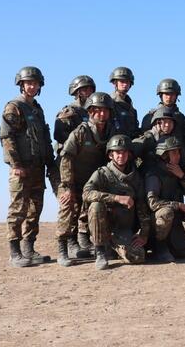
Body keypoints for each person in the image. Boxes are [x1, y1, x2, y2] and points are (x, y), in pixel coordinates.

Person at [0, 66, 59, 267]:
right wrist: (15, 164)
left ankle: (29, 248)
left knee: (35, 209)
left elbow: (44, 138)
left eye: (35, 83)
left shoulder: (37, 109)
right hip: (21, 168)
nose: (32, 86)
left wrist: (50, 163)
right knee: (18, 209)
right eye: (29, 83)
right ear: (21, 84)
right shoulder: (14, 107)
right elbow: (7, 137)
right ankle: (15, 252)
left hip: (37, 167)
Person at [56, 92, 116, 265]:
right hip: (73, 180)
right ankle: (62, 250)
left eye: (105, 110)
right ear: (90, 111)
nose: (102, 114)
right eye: (97, 110)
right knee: (68, 208)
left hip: (94, 182)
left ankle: (101, 247)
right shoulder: (81, 132)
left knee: (100, 208)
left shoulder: (111, 132)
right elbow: (66, 158)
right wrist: (67, 186)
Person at [82, 135, 151, 270]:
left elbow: (142, 206)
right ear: (110, 155)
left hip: (123, 229)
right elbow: (86, 193)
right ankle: (100, 252)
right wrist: (116, 198)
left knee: (137, 256)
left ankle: (114, 248)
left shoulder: (135, 177)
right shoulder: (102, 173)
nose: (121, 155)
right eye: (117, 152)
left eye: (124, 152)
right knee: (96, 206)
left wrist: (144, 234)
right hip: (104, 228)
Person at [145, 136, 185, 263]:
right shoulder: (154, 174)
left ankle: (168, 247)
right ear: (164, 155)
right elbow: (152, 203)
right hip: (156, 223)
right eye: (174, 152)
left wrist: (182, 177)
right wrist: (177, 205)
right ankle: (160, 247)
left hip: (174, 224)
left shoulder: (177, 171)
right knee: (166, 212)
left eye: (179, 152)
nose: (178, 155)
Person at [140, 78, 185, 173]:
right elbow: (144, 141)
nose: (169, 97)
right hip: (155, 165)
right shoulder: (150, 116)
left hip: (179, 165)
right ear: (161, 95)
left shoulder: (181, 118)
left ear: (176, 96)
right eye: (166, 94)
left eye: (172, 94)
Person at [54, 75, 95, 154]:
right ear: (77, 92)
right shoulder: (68, 111)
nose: (89, 92)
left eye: (91, 90)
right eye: (85, 90)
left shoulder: (94, 112)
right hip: (71, 154)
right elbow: (59, 136)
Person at [109, 67, 139, 138]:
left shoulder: (132, 109)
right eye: (122, 81)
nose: (125, 84)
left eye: (127, 82)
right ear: (115, 83)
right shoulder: (109, 103)